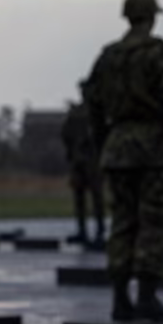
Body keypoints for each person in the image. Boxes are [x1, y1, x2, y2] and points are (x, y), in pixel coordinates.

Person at [84, 0, 163, 323]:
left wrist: (107, 140)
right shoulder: (159, 54)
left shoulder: (108, 56)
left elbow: (92, 105)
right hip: (154, 150)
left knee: (121, 223)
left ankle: (120, 298)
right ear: (152, 16)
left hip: (118, 148)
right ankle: (147, 297)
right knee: (154, 223)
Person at [61, 85, 105, 247]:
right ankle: (85, 231)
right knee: (82, 197)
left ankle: (98, 230)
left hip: (91, 160)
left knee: (95, 197)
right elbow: (65, 134)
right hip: (83, 160)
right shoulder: (80, 113)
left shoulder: (97, 112)